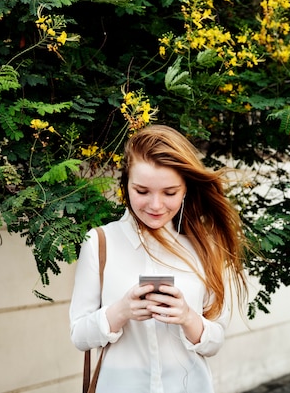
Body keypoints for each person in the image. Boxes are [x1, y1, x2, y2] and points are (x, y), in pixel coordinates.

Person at [69, 124, 248, 392]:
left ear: (185, 188)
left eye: (169, 193)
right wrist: (120, 311)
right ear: (125, 185)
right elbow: (79, 336)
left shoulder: (202, 246)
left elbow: (215, 341)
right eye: (142, 191)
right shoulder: (100, 243)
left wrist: (188, 317)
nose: (155, 205)